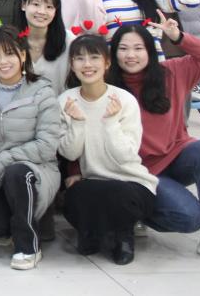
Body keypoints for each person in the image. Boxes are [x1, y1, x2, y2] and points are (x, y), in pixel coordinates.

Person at [107, 22, 200, 268]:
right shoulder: (108, 87)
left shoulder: (172, 72)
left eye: (138, 48)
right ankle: (135, 212)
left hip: (177, 156)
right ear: (114, 53)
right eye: (123, 49)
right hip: (142, 172)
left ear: (150, 51)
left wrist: (178, 37)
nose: (131, 55)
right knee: (190, 218)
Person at [59, 34, 158, 265]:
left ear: (107, 63)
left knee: (118, 194)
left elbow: (126, 156)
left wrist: (111, 123)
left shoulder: (123, 100)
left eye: (94, 57)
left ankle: (123, 236)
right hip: (93, 180)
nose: (87, 64)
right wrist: (77, 123)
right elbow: (70, 154)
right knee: (74, 196)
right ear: (72, 65)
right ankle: (94, 233)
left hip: (131, 183)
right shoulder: (66, 101)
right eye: (80, 58)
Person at [0, 26, 61, 271]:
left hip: (36, 170)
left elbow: (47, 146)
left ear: (22, 55)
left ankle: (28, 245)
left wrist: (3, 160)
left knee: (17, 172)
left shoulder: (42, 91)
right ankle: (13, 223)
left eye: (9, 53)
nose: (3, 61)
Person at [21, 0, 76, 95]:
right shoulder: (11, 41)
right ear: (23, 5)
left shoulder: (69, 41)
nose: (42, 11)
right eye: (36, 4)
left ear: (56, 11)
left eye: (49, 7)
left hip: (60, 104)